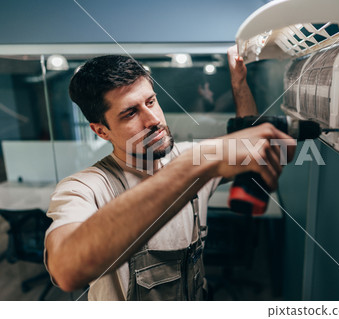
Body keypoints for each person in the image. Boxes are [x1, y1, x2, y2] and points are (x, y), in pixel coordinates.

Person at [44, 46, 295, 300]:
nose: (153, 119)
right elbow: (66, 269)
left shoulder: (192, 157)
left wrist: (239, 86)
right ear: (101, 131)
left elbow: (252, 150)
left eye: (151, 101)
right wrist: (194, 166)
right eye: (130, 113)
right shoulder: (85, 187)